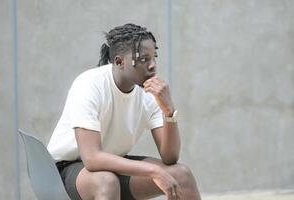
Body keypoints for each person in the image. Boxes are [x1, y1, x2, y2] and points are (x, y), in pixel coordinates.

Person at [47, 23, 201, 200]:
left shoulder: (150, 94)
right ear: (119, 62)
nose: (153, 66)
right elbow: (92, 158)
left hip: (111, 166)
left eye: (154, 57)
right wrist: (153, 171)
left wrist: (169, 112)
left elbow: (170, 158)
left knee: (181, 175)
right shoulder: (89, 85)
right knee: (106, 181)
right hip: (65, 170)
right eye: (144, 59)